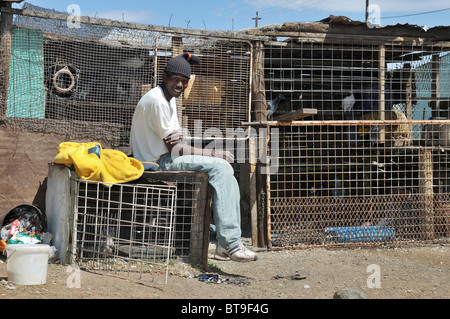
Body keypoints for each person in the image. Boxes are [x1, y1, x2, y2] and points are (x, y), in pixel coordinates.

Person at [130, 53, 257, 262]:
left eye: (184, 81)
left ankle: (228, 241)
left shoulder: (167, 99)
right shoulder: (157, 101)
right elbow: (176, 148)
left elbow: (176, 141)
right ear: (164, 77)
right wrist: (214, 153)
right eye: (175, 80)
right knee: (220, 167)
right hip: (155, 162)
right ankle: (230, 244)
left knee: (224, 170)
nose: (179, 84)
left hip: (164, 155)